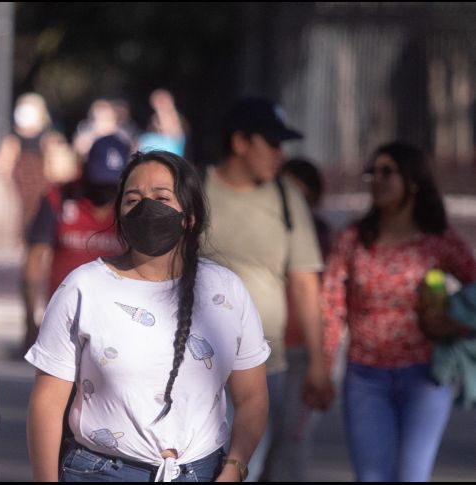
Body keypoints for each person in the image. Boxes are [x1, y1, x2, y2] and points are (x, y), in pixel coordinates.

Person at [26, 150, 270, 482]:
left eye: (161, 197)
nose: (146, 208)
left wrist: (234, 470)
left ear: (190, 215)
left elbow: (252, 397)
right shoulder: (83, 287)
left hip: (203, 473)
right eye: (133, 199)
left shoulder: (226, 290)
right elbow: (47, 403)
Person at [321, 142, 476, 482]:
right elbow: (332, 305)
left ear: (413, 181)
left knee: (411, 476)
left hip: (425, 377)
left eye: (387, 171)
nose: (376, 179)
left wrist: (454, 322)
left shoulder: (438, 239)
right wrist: (323, 366)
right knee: (372, 477)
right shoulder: (353, 238)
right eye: (371, 172)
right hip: (365, 378)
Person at [201, 97, 334, 481]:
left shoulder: (287, 198)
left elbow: (306, 283)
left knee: (246, 467)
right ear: (240, 142)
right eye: (272, 142)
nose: (280, 153)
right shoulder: (196, 187)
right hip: (197, 361)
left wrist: (319, 364)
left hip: (265, 365)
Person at [22, 134, 129, 351]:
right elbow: (34, 260)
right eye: (100, 182)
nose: (105, 192)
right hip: (64, 323)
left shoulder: (132, 208)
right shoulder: (58, 198)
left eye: (112, 185)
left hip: (119, 324)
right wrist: (30, 319)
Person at [263, 158, 332, 481]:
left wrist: (323, 362)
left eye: (300, 194)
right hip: (259, 351)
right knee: (254, 439)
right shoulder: (259, 231)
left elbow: (328, 300)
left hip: (303, 354)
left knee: (292, 439)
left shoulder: (324, 238)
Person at [0, 92, 74, 230]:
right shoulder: (13, 141)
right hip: (23, 196)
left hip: (46, 194)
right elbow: (3, 167)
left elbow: (61, 172)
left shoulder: (50, 139)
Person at [137, 89, 187, 156]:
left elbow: (172, 127)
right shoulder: (145, 138)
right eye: (156, 119)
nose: (157, 121)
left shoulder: (174, 138)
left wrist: (162, 106)